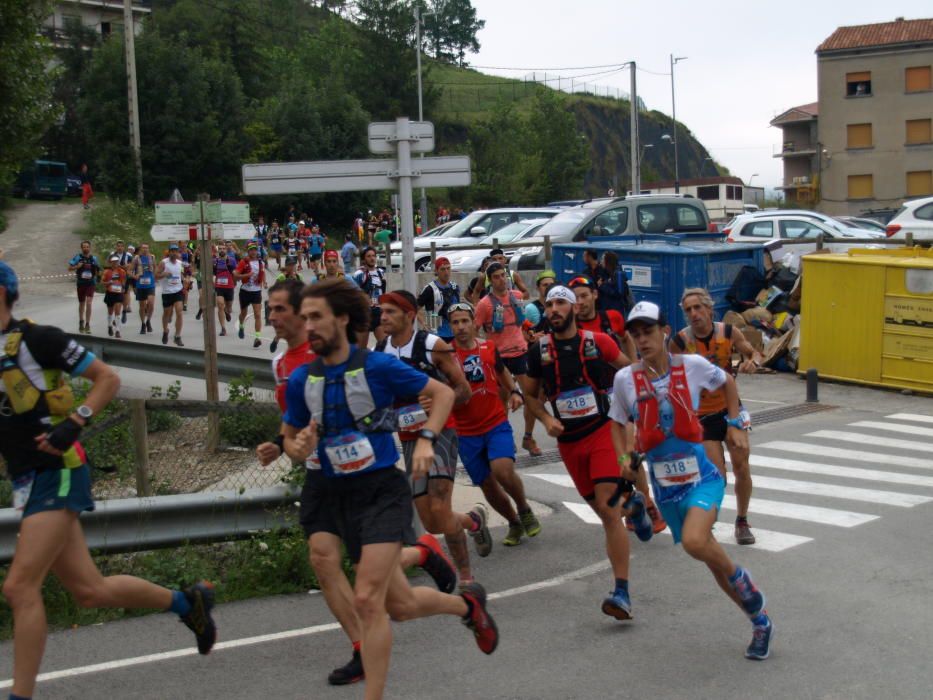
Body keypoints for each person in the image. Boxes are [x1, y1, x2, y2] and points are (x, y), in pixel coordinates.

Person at [0, 261, 217, 700]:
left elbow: (108, 378)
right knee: (89, 591)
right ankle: (187, 602)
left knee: (20, 586)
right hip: (27, 478)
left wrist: (74, 422)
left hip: (58, 471)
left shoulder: (39, 339)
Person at [282, 278, 499, 699]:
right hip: (329, 491)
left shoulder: (376, 366)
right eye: (304, 318)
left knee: (367, 598)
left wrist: (427, 439)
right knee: (399, 606)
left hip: (379, 491)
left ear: (342, 320)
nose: (308, 327)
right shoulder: (301, 380)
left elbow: (441, 393)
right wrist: (297, 446)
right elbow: (289, 439)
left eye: (316, 317)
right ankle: (467, 606)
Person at [609, 301, 773, 659]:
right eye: (636, 334)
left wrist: (735, 424)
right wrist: (623, 457)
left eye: (648, 331)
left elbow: (728, 383)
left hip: (702, 478)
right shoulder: (625, 380)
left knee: (697, 543)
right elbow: (618, 421)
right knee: (708, 558)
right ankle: (759, 620)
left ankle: (743, 579)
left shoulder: (693, 366)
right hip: (667, 489)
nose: (642, 339)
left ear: (665, 332)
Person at [524, 285, 642, 620]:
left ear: (574, 308)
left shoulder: (597, 343)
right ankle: (632, 505)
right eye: (549, 304)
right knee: (607, 509)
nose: (554, 309)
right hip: (569, 443)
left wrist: (630, 416)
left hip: (602, 431)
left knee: (606, 512)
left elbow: (630, 374)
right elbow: (529, 394)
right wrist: (546, 418)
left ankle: (621, 592)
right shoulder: (539, 351)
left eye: (561, 302)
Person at [376, 291, 488, 585]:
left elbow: (463, 390)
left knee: (439, 505)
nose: (383, 317)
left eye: (389, 312)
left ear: (410, 315)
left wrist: (440, 400)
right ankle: (473, 521)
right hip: (410, 437)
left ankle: (465, 578)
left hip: (441, 432)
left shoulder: (432, 346)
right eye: (381, 311)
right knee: (431, 520)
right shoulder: (380, 350)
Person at [567, 275, 665, 534]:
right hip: (592, 405)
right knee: (614, 456)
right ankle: (630, 502)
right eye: (575, 297)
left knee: (629, 452)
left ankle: (646, 500)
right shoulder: (570, 326)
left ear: (594, 296)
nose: (581, 302)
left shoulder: (611, 318)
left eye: (585, 295)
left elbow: (626, 338)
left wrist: (634, 368)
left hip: (619, 394)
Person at [670, 287, 763, 545]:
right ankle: (707, 518)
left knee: (742, 466)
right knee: (717, 475)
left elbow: (752, 351)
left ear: (710, 309)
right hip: (702, 415)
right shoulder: (680, 342)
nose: (694, 313)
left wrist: (753, 361)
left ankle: (742, 520)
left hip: (732, 408)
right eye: (688, 310)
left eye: (698, 307)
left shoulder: (729, 332)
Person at [448, 302, 541, 547]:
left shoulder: (488, 346)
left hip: (494, 423)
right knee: (488, 486)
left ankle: (524, 509)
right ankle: (513, 522)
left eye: (465, 321)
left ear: (473, 322)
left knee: (502, 470)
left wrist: (514, 391)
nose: (461, 327)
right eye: (455, 322)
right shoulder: (445, 355)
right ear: (450, 326)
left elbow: (501, 372)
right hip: (465, 433)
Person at [474, 262, 542, 456]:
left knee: (531, 398)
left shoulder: (517, 297)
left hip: (520, 352)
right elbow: (474, 328)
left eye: (503, 275)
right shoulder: (485, 304)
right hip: (499, 358)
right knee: (502, 401)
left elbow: (520, 324)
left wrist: (529, 334)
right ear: (490, 280)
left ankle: (528, 438)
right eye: (496, 277)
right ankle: (506, 439)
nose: (501, 279)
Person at [417, 256, 460, 342]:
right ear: (436, 271)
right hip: (435, 334)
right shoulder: (429, 288)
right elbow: (416, 308)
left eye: (448, 268)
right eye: (443, 269)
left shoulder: (455, 287)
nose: (446, 272)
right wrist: (423, 323)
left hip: (454, 332)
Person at [351, 247, 387, 345]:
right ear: (363, 259)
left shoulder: (381, 272)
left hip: (378, 312)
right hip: (364, 314)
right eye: (369, 256)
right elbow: (353, 293)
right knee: (361, 349)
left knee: (385, 345)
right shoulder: (359, 274)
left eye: (374, 256)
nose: (372, 258)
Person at [235, 243, 266, 349]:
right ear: (248, 251)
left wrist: (264, 282)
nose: (253, 252)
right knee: (243, 313)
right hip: (245, 291)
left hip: (256, 291)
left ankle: (257, 338)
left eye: (255, 250)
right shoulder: (244, 262)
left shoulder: (261, 262)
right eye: (251, 250)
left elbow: (263, 272)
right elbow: (235, 274)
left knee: (257, 314)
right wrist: (246, 275)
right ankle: (241, 326)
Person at [67, 241, 100, 335]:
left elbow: (98, 271)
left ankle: (87, 324)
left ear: (90, 248)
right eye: (84, 247)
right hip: (81, 283)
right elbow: (69, 268)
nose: (86, 248)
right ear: (81, 248)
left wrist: (98, 276)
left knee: (89, 303)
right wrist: (77, 266)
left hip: (91, 283)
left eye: (87, 247)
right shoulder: (78, 257)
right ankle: (81, 321)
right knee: (82, 303)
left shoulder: (94, 258)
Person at [156, 243, 185, 346]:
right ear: (169, 252)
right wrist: (164, 274)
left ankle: (177, 336)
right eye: (172, 251)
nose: (174, 253)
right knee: (166, 314)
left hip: (178, 291)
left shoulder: (180, 263)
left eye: (175, 251)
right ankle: (165, 331)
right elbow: (156, 276)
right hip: (167, 292)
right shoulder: (163, 263)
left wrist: (184, 280)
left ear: (178, 252)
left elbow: (180, 274)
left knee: (179, 312)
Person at [130, 243, 157, 334]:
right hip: (140, 285)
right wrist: (134, 276)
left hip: (151, 284)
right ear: (140, 249)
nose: (145, 249)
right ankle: (143, 324)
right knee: (142, 306)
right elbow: (129, 271)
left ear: (149, 249)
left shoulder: (152, 257)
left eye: (147, 248)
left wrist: (156, 277)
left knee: (151, 303)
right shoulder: (136, 258)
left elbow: (156, 269)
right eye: (143, 248)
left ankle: (148, 320)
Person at [212, 245, 238, 337]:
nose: (222, 250)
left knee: (229, 308)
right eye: (220, 249)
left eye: (224, 248)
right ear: (218, 250)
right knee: (220, 305)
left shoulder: (232, 260)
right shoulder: (215, 261)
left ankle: (226, 312)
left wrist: (235, 282)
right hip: (219, 286)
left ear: (226, 250)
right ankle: (223, 328)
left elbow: (236, 272)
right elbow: (213, 273)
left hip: (229, 286)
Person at [101, 256, 127, 339]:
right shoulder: (106, 272)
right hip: (110, 293)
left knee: (118, 312)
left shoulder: (122, 271)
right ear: (110, 262)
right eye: (113, 261)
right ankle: (109, 326)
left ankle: (118, 331)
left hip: (118, 293)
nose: (115, 263)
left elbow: (123, 282)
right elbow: (102, 282)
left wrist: (123, 288)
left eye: (116, 261)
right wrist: (108, 282)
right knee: (110, 312)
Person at [109, 241, 134, 324]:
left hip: (125, 277)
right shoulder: (112, 254)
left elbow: (131, 266)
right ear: (116, 247)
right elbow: (109, 263)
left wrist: (123, 267)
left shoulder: (128, 255)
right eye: (118, 246)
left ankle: (124, 311)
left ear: (124, 247)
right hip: (115, 277)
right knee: (115, 295)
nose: (119, 247)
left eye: (121, 246)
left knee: (125, 294)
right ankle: (116, 315)